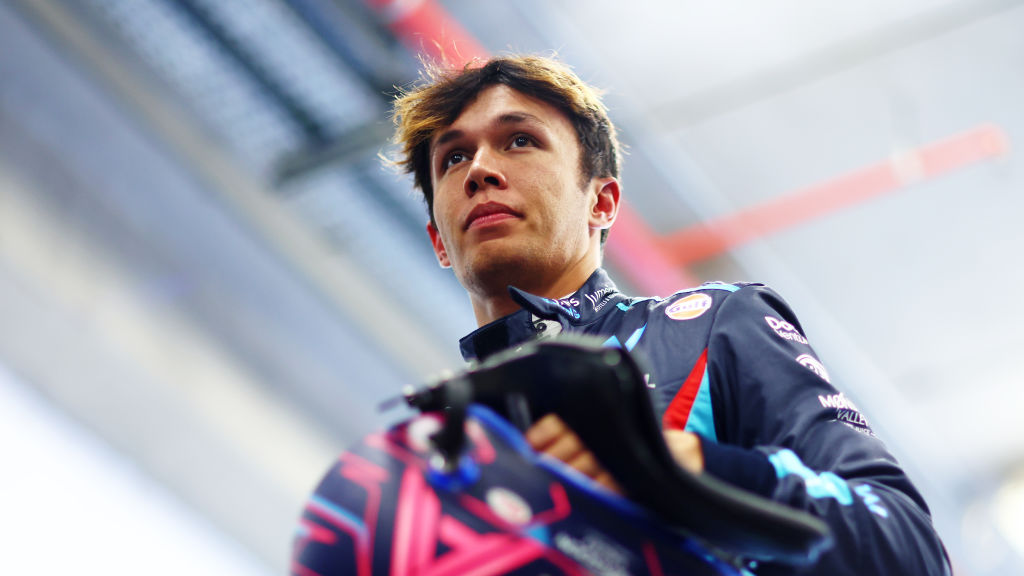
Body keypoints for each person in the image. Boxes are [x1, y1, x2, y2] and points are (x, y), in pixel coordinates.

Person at [389, 54, 950, 575]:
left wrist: (688, 470)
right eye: (454, 157)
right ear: (439, 241)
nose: (479, 170)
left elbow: (908, 548)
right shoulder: (439, 452)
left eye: (519, 140)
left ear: (601, 203)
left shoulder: (715, 324)